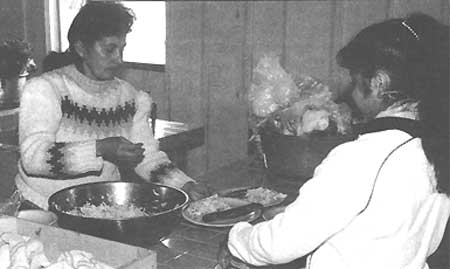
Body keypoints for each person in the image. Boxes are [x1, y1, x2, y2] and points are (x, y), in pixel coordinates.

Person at [219, 13, 450, 269]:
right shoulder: (435, 144)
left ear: (378, 83)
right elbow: (424, 240)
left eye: (354, 80)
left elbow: (278, 245)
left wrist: (235, 237)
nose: (351, 91)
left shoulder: (364, 154)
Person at [16, 1, 210, 210]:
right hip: (41, 206)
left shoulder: (130, 98)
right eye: (109, 49)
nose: (118, 59)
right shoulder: (45, 89)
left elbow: (147, 156)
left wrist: (184, 184)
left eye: (121, 48)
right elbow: (33, 157)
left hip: (100, 208)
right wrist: (100, 148)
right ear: (81, 48)